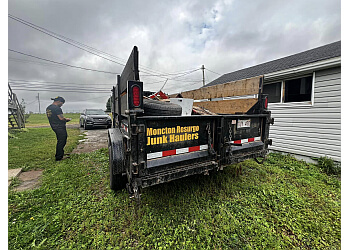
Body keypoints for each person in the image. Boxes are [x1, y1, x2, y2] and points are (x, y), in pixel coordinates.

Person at [46, 96, 71, 161]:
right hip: (59, 127)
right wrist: (67, 119)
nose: (62, 105)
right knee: (62, 141)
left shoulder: (49, 108)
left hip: (54, 126)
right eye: (62, 103)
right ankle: (59, 157)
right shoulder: (57, 108)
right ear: (58, 101)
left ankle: (60, 153)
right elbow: (61, 118)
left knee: (60, 140)